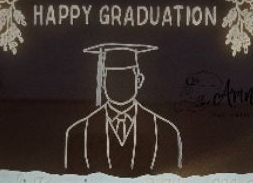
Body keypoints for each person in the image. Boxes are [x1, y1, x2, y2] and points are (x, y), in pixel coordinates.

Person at [64, 43, 182, 175]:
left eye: (126, 78)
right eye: (113, 78)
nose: (120, 84)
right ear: (102, 82)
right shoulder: (79, 133)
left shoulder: (165, 131)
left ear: (139, 80)